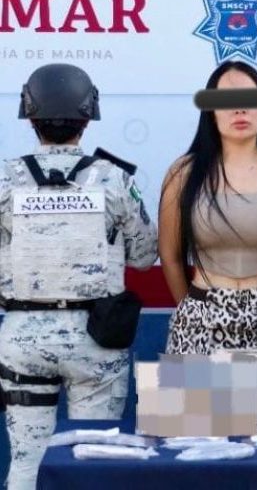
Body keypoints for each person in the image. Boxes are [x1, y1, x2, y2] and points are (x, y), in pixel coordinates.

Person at [0, 63, 158, 490]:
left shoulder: (4, 179)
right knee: (94, 461)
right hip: (97, 340)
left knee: (27, 461)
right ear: (88, 118)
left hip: (22, 339)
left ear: (29, 117)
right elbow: (145, 257)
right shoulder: (115, 178)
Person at [160, 60, 257, 355]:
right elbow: (170, 255)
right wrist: (190, 310)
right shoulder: (183, 173)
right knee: (193, 391)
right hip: (200, 320)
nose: (240, 109)